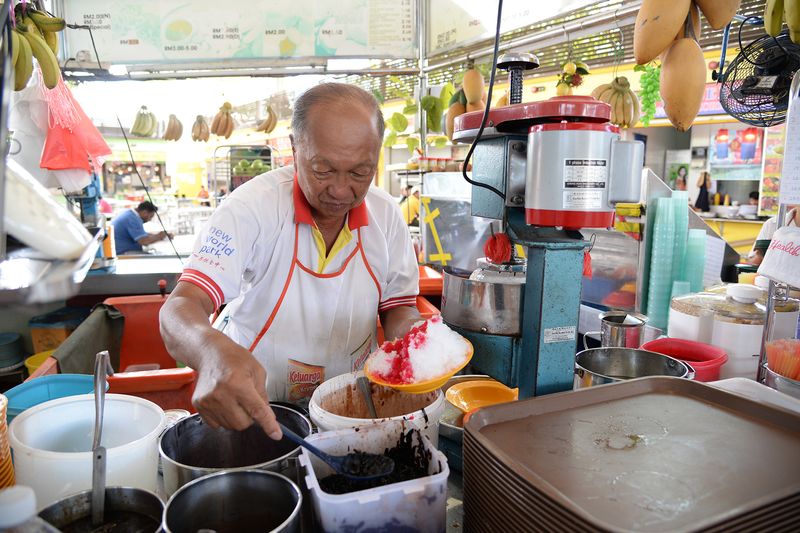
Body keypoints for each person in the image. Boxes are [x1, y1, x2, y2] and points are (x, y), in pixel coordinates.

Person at [159, 83, 421, 440]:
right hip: (256, 407)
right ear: (295, 148)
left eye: (360, 172)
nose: (342, 191)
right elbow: (182, 305)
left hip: (352, 407)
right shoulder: (250, 208)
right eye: (323, 170)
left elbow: (399, 307)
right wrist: (209, 352)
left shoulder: (386, 215)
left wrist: (415, 346)